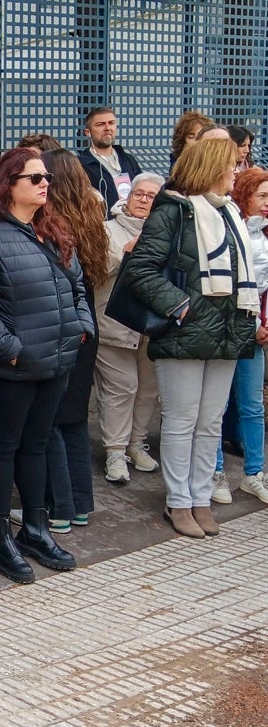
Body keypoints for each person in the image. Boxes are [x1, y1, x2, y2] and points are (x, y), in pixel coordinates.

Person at [0, 147, 93, 583]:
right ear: (8, 185)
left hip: (54, 362)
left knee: (36, 446)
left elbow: (78, 288)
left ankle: (34, 527)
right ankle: (1, 535)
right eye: (34, 178)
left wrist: (79, 328)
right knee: (3, 448)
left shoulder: (51, 231)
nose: (44, 183)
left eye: (46, 177)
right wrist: (12, 349)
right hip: (8, 370)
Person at [123, 138, 257, 538]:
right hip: (185, 331)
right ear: (213, 167)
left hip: (228, 330)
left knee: (210, 421)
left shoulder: (230, 211)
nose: (236, 171)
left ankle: (200, 497)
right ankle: (178, 501)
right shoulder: (173, 211)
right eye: (231, 165)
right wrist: (182, 308)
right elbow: (141, 270)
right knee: (182, 421)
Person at [36, 149, 104, 529]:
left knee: (52, 421)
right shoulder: (91, 213)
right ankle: (80, 504)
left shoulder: (52, 223)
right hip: (87, 321)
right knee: (75, 417)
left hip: (63, 324)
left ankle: (58, 509)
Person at [96, 173, 165, 483]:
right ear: (128, 196)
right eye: (139, 194)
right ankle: (114, 451)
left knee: (148, 390)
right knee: (121, 389)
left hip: (151, 327)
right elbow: (94, 270)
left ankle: (136, 444)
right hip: (114, 323)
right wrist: (126, 251)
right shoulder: (106, 230)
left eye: (152, 196)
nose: (144, 201)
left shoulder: (166, 232)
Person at [213, 167, 268, 503]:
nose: (267, 203)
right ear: (244, 194)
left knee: (252, 405)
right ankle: (216, 472)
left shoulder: (266, 234)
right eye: (262, 195)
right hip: (225, 329)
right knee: (216, 406)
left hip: (256, 331)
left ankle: (254, 473)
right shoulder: (228, 227)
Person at [77, 106, 143, 218]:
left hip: (132, 224)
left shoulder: (128, 159)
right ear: (88, 132)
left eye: (111, 123)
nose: (107, 128)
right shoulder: (80, 164)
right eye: (100, 124)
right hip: (101, 226)